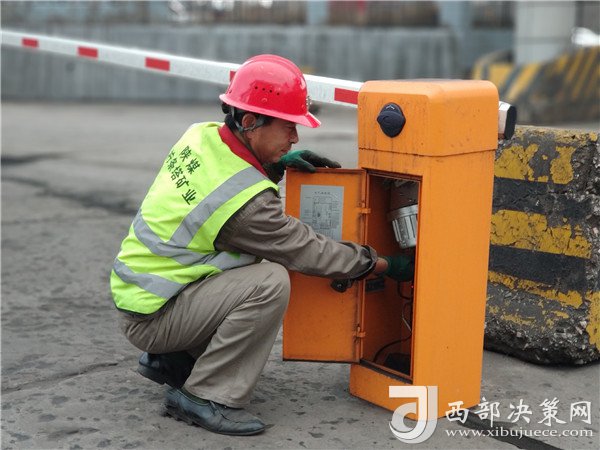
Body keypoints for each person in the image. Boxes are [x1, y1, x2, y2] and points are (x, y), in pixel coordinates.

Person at [110, 54, 413, 436]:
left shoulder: (200, 135)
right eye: (288, 127)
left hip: (144, 296)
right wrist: (380, 264)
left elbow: (223, 181)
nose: (295, 138)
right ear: (250, 122)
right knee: (269, 282)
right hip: (155, 318)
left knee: (241, 267)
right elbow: (308, 250)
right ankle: (204, 396)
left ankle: (171, 359)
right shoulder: (247, 208)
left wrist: (275, 165)